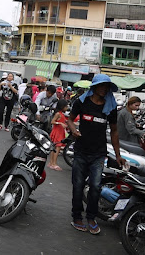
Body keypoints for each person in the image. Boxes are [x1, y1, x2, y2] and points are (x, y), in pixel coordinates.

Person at [67, 74, 126, 235]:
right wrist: (73, 130)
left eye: (106, 86)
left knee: (95, 187)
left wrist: (118, 155)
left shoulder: (110, 107)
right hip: (80, 151)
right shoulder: (82, 102)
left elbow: (114, 131)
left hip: (98, 154)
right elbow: (70, 119)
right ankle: (77, 216)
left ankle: (91, 217)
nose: (104, 88)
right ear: (94, 87)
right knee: (78, 186)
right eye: (101, 85)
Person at [48, 99, 69, 171]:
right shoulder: (58, 114)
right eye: (66, 106)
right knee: (57, 148)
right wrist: (60, 123)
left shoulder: (61, 114)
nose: (67, 108)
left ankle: (51, 163)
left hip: (59, 131)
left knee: (54, 148)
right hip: (57, 132)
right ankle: (53, 163)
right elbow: (52, 121)